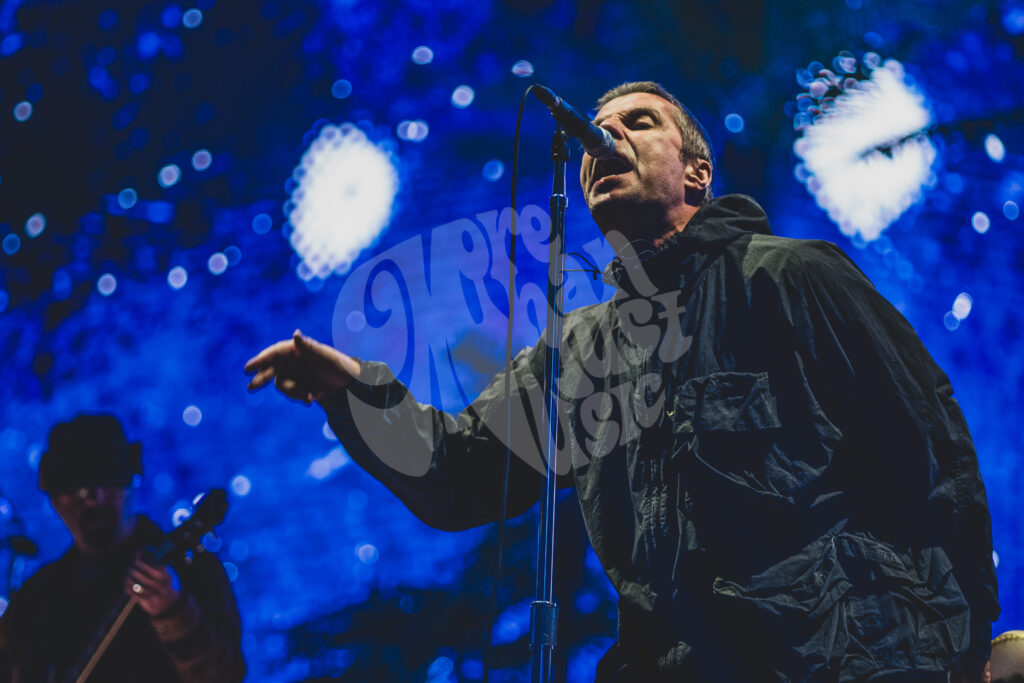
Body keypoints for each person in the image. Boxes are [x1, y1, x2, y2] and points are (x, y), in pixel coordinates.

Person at [244, 81, 999, 681]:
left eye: (639, 122)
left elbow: (927, 446)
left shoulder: (791, 276)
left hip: (841, 656)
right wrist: (352, 388)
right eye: (598, 129)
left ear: (696, 173)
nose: (605, 137)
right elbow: (458, 472)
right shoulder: (583, 354)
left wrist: (963, 642)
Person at [0, 414, 246, 683]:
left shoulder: (188, 568)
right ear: (55, 500)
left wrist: (174, 613)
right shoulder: (36, 601)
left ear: (131, 480)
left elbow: (224, 676)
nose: (93, 498)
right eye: (74, 487)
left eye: (105, 480)